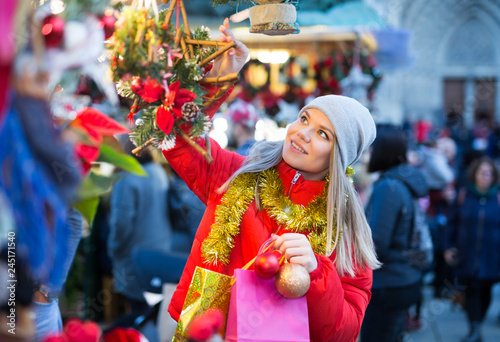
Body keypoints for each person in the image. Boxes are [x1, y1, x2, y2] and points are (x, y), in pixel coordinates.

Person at [162, 18, 380, 341]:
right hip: (206, 333)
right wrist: (218, 79)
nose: (302, 133)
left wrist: (317, 271)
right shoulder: (237, 173)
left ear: (338, 158)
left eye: (322, 134)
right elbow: (176, 139)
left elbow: (342, 333)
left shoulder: (345, 233)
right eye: (304, 118)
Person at [361, 126, 428, 342]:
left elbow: (377, 243)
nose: (366, 154)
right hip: (403, 277)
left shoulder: (388, 186)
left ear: (382, 150)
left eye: (370, 148)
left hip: (389, 283)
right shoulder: (399, 180)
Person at [107, 139, 173, 328]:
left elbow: (121, 225)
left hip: (134, 257)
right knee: (153, 314)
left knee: (136, 314)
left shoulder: (127, 179)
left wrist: (112, 249)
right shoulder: (159, 171)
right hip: (161, 252)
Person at [444, 156, 500, 342]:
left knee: (486, 291)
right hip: (466, 254)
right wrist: (448, 247)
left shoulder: (497, 197)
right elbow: (451, 224)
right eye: (482, 172)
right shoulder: (463, 195)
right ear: (474, 174)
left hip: (491, 255)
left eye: (490, 173)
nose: (486, 176)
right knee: (472, 289)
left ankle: (478, 323)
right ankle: (475, 329)